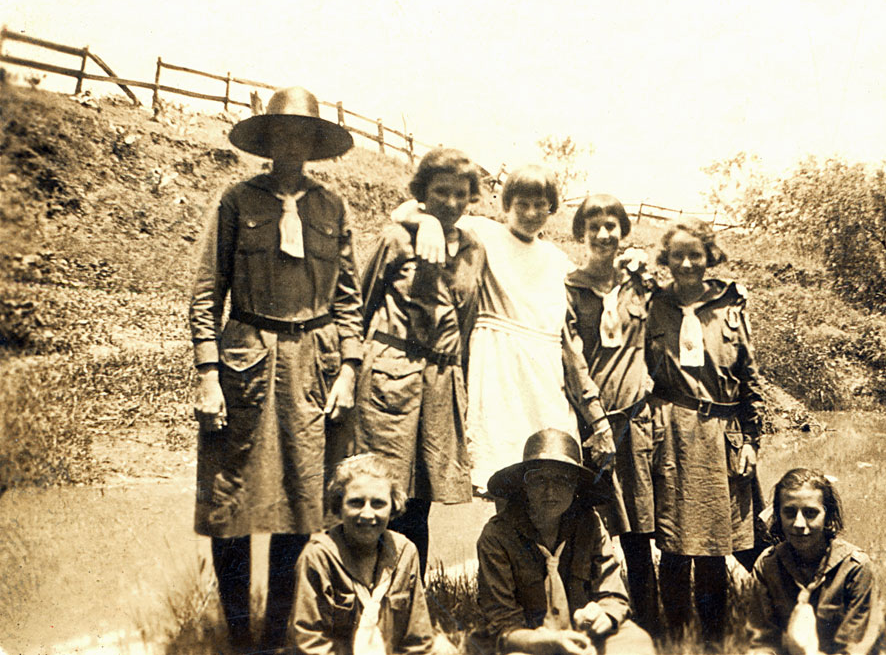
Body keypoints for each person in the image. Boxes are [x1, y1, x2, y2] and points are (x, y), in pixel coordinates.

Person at [190, 86, 363, 652]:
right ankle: (240, 639)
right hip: (245, 357)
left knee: (301, 503)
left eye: (305, 134)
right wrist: (207, 374)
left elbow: (349, 300)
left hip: (313, 364)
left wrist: (348, 370)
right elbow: (204, 293)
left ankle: (278, 638)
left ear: (316, 144)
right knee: (231, 505)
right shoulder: (237, 200)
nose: (294, 143)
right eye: (283, 132)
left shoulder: (331, 206)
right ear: (267, 139)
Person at [392, 164, 607, 492]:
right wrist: (428, 224)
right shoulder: (484, 232)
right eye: (522, 204)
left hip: (545, 372)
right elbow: (404, 210)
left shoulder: (556, 258)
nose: (531, 212)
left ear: (552, 208)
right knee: (502, 473)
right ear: (506, 204)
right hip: (500, 365)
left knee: (549, 467)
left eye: (541, 205)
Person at [354, 148, 486, 576]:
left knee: (421, 506)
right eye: (440, 192)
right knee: (379, 495)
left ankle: (408, 603)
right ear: (421, 192)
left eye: (460, 194)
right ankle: (358, 602)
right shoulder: (396, 238)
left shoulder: (472, 248)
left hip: (439, 384)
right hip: (389, 378)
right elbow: (360, 304)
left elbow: (463, 325)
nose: (450, 202)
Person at [645, 218, 766, 646]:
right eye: (677, 255)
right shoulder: (653, 306)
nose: (687, 263)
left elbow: (751, 378)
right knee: (674, 544)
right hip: (672, 435)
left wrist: (751, 440)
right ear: (666, 259)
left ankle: (713, 638)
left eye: (696, 254)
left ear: (709, 256)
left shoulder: (731, 308)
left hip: (723, 435)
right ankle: (676, 636)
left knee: (716, 545)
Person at [563, 194, 658, 632]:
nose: (603, 234)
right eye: (594, 226)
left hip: (638, 423)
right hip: (592, 425)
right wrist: (595, 419)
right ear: (581, 233)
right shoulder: (569, 288)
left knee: (640, 530)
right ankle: (588, 619)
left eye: (612, 226)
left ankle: (651, 624)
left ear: (624, 231)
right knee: (592, 528)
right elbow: (572, 358)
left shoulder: (641, 283)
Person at [476, 429, 657, 655]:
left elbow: (613, 593)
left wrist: (604, 615)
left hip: (582, 635)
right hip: (530, 640)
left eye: (562, 480)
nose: (550, 491)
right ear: (524, 485)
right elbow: (502, 625)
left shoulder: (590, 524)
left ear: (576, 487)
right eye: (539, 479)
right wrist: (546, 642)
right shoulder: (497, 536)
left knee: (635, 642)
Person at [287, 453, 435, 655]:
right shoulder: (319, 556)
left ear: (394, 507)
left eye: (378, 503)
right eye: (356, 503)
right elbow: (308, 642)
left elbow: (418, 639)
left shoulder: (404, 553)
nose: (367, 514)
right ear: (339, 506)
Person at [747, 468, 881, 655]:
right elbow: (762, 640)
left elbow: (854, 647)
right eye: (790, 513)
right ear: (778, 515)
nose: (799, 524)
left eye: (810, 513)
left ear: (828, 517)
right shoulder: (768, 565)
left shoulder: (855, 569)